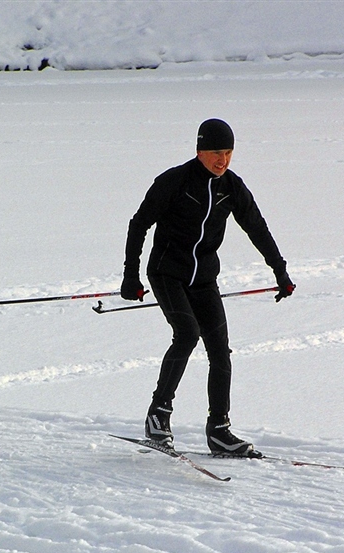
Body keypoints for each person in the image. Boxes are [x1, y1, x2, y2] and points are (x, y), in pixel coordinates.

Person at [120, 118, 294, 456]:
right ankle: (158, 415)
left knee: (220, 349)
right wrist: (131, 275)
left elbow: (257, 227)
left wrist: (280, 271)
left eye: (228, 153)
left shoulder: (231, 186)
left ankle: (219, 430)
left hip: (204, 279)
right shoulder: (174, 181)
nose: (223, 160)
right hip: (166, 272)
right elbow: (139, 224)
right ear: (200, 151)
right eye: (216, 152)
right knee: (187, 333)